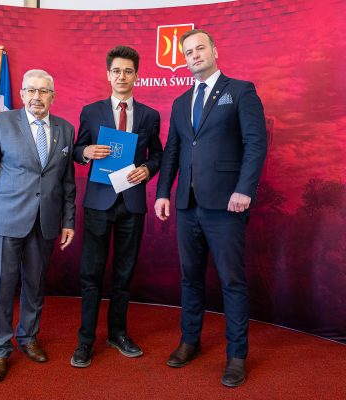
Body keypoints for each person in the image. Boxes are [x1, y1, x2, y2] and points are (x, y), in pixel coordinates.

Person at [154, 29, 267, 387]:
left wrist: (244, 189)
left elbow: (256, 143)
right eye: (188, 52)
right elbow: (172, 151)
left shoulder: (241, 91)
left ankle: (236, 356)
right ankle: (190, 341)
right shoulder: (180, 102)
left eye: (200, 48)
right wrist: (163, 193)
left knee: (232, 281)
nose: (194, 55)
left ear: (215, 51)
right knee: (190, 277)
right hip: (187, 205)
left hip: (227, 205)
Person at [0, 69, 76, 382]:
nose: (36, 97)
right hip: (6, 219)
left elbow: (67, 181)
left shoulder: (66, 129)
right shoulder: (1, 123)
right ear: (21, 94)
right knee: (1, 288)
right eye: (31, 90)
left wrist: (68, 220)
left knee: (35, 285)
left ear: (52, 96)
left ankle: (28, 336)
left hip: (45, 222)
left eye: (43, 91)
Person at [71, 45, 163, 368]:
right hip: (98, 202)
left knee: (124, 275)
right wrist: (86, 152)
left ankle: (117, 333)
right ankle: (85, 340)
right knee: (91, 275)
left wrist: (148, 169)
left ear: (136, 75)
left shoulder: (150, 115)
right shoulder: (91, 111)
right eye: (116, 71)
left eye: (128, 71)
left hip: (131, 203)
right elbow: (76, 149)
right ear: (108, 75)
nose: (122, 76)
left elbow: (158, 154)